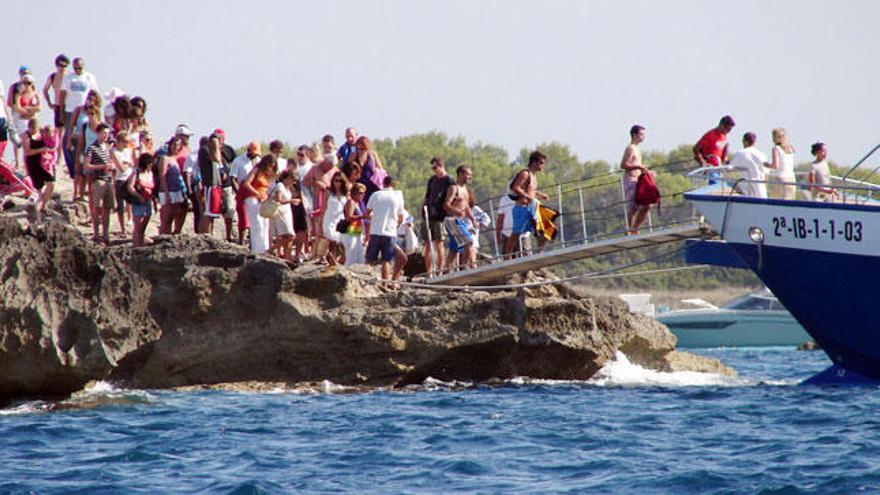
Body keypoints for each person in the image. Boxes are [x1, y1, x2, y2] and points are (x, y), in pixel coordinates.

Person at [504, 150, 550, 256]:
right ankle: (507, 258)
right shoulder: (525, 173)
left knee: (543, 231)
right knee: (515, 235)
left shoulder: (534, 176)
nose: (543, 166)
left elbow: (531, 190)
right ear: (534, 162)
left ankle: (539, 254)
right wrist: (527, 197)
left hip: (532, 208)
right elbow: (515, 187)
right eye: (541, 163)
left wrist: (540, 195)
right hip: (521, 208)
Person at [365, 176, 408, 286]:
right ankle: (384, 284)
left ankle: (365, 281)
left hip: (375, 231)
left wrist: (374, 218)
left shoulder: (375, 195)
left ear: (383, 184)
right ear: (394, 185)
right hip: (389, 232)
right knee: (387, 260)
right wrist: (396, 225)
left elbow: (366, 213)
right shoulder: (397, 197)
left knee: (370, 259)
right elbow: (401, 218)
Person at [61, 57, 99, 172]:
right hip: (70, 110)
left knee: (85, 140)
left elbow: (95, 93)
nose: (78, 70)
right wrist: (60, 112)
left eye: (80, 68)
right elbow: (62, 94)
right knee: (67, 140)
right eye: (75, 68)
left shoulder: (89, 77)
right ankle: (72, 167)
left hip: (86, 111)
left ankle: (83, 167)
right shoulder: (68, 78)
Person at [421, 156, 455, 276]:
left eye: (435, 167)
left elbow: (450, 197)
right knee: (428, 244)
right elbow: (427, 196)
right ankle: (429, 272)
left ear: (441, 166)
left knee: (439, 244)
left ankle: (440, 271)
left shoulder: (449, 180)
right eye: (432, 168)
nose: (434, 170)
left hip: (440, 217)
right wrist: (423, 210)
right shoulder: (432, 180)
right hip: (429, 215)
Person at [83, 123, 116, 244]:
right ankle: (96, 233)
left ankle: (106, 234)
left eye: (107, 133)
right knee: (97, 207)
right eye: (104, 133)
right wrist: (102, 166)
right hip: (98, 180)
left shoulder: (108, 147)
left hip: (108, 180)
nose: (106, 135)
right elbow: (87, 165)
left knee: (107, 208)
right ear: (98, 133)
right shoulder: (92, 148)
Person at [620, 125, 654, 234]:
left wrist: (645, 171)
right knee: (634, 206)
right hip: (631, 179)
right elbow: (624, 165)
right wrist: (639, 167)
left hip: (638, 180)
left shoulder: (637, 148)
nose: (643, 137)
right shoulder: (630, 148)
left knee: (647, 204)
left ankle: (634, 228)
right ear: (634, 135)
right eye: (641, 134)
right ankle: (630, 230)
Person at [443, 165, 478, 270]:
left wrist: (473, 219)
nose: (470, 177)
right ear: (461, 174)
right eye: (468, 175)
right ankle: (465, 268)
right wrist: (456, 211)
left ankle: (448, 271)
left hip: (460, 221)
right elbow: (446, 205)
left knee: (454, 249)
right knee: (469, 241)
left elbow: (466, 207)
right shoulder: (454, 188)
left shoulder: (465, 190)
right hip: (452, 220)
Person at [240, 154, 277, 254]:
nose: (271, 167)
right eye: (270, 165)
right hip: (252, 199)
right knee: (257, 225)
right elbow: (246, 183)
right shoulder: (257, 169)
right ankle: (257, 250)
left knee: (265, 224)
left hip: (263, 200)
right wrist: (257, 194)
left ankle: (265, 249)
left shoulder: (268, 173)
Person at [231, 141, 261, 244]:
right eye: (254, 153)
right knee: (243, 217)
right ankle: (241, 241)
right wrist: (238, 191)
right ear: (249, 151)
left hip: (254, 192)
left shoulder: (258, 161)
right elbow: (233, 178)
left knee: (254, 217)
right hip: (242, 192)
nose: (255, 156)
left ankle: (253, 241)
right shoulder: (238, 161)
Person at [21, 119, 51, 222]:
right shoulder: (25, 135)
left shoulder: (40, 133)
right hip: (32, 164)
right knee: (38, 191)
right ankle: (38, 219)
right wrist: (41, 149)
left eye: (35, 129)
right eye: (32, 129)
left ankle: (43, 206)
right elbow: (27, 152)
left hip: (43, 164)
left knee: (51, 184)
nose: (33, 131)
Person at [157, 137, 187, 235]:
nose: (176, 147)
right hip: (167, 190)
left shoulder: (175, 159)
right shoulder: (164, 158)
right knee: (166, 217)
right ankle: (162, 236)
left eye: (178, 145)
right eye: (174, 144)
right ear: (170, 145)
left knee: (173, 215)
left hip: (176, 189)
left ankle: (169, 236)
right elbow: (162, 176)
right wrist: (166, 193)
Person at [693, 115, 735, 183]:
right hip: (710, 169)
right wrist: (702, 162)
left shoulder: (724, 136)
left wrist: (727, 162)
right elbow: (695, 149)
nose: (728, 131)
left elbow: (722, 154)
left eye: (730, 130)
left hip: (719, 169)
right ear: (721, 125)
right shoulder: (710, 134)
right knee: (715, 186)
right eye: (727, 129)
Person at [729, 132, 771, 199]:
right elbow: (766, 174)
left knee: (729, 183)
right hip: (761, 189)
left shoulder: (741, 153)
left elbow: (730, 168)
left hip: (746, 188)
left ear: (745, 142)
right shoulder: (762, 155)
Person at [321, 171, 349, 266]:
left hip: (340, 220)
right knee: (332, 240)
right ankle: (332, 260)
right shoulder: (328, 192)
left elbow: (347, 209)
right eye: (336, 181)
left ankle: (340, 260)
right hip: (329, 219)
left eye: (340, 181)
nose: (338, 183)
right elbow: (323, 208)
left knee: (342, 241)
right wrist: (319, 224)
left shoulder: (345, 194)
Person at [127, 153, 155, 247]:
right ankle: (136, 245)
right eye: (150, 163)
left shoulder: (150, 173)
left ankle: (141, 242)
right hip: (139, 201)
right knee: (137, 225)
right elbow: (130, 187)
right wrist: (138, 196)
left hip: (148, 200)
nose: (152, 164)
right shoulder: (137, 172)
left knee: (144, 223)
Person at [267, 170, 297, 259]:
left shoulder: (288, 188)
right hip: (281, 212)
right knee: (290, 236)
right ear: (287, 178)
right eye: (292, 179)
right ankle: (271, 249)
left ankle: (287, 257)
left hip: (287, 212)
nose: (293, 182)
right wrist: (291, 201)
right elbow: (279, 200)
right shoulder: (280, 186)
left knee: (286, 236)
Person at [111, 131, 135, 237]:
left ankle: (132, 225)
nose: (126, 144)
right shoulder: (114, 151)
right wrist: (127, 163)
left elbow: (133, 163)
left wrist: (127, 163)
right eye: (125, 142)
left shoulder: (129, 151)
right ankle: (122, 228)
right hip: (120, 179)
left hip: (130, 179)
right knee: (120, 206)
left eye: (128, 142)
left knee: (133, 203)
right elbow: (121, 168)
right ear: (119, 141)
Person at [342, 182, 367, 265]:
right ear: (354, 193)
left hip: (357, 232)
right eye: (360, 193)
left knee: (360, 258)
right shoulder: (351, 202)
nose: (362, 195)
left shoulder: (358, 204)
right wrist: (363, 216)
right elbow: (349, 217)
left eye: (363, 193)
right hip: (350, 232)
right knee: (351, 258)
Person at [42, 54, 70, 129]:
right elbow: (45, 90)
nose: (63, 68)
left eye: (65, 66)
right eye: (61, 65)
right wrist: (49, 103)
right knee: (59, 130)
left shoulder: (70, 76)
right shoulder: (53, 76)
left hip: (69, 105)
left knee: (70, 129)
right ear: (57, 65)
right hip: (57, 105)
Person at [768, 128, 797, 200]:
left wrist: (766, 164)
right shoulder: (791, 148)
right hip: (791, 178)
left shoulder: (776, 148)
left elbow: (775, 165)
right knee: (789, 201)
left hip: (780, 178)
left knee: (776, 202)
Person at [495, 194, 514, 258]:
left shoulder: (526, 197)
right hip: (506, 234)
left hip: (523, 235)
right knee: (507, 258)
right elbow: (500, 219)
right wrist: (497, 235)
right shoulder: (504, 199)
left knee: (525, 260)